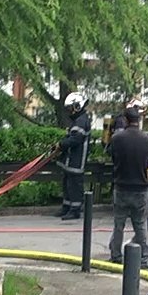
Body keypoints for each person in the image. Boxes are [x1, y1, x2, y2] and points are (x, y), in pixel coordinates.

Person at [109, 106, 148, 267]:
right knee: (141, 224)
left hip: (121, 186)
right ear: (139, 120)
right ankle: (144, 258)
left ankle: (116, 255)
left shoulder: (117, 139)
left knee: (118, 223)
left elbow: (113, 158)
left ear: (126, 120)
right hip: (140, 187)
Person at [54, 91, 92, 220]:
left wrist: (61, 144)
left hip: (76, 161)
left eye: (71, 108)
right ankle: (67, 207)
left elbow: (75, 140)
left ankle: (75, 210)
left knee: (75, 186)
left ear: (78, 106)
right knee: (67, 185)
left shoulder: (81, 121)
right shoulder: (78, 120)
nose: (69, 111)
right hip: (70, 160)